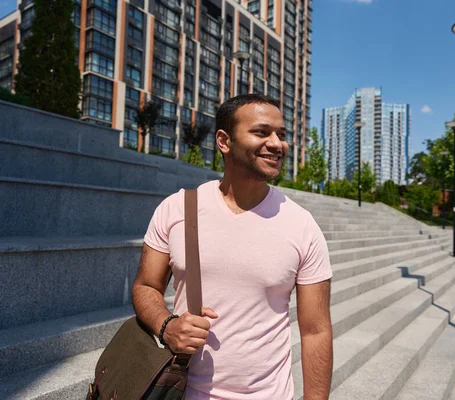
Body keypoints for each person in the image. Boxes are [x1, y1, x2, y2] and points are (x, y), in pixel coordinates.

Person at [132, 94, 333, 400]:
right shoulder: (177, 209)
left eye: (281, 134)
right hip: (184, 392)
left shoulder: (302, 225)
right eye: (262, 132)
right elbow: (146, 286)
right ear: (224, 141)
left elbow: (316, 330)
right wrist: (167, 326)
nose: (278, 144)